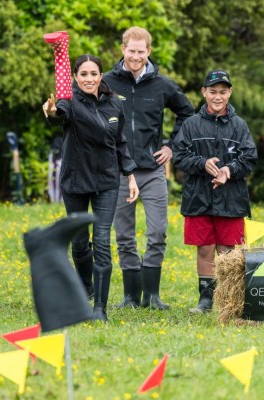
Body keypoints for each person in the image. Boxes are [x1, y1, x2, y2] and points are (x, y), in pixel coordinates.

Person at [43, 54, 139, 322]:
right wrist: (51, 112)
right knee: (79, 241)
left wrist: (130, 175)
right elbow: (58, 114)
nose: (89, 79)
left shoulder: (113, 104)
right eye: (83, 74)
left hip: (107, 181)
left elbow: (120, 143)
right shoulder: (68, 100)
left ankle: (100, 308)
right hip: (75, 182)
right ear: (75, 77)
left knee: (102, 242)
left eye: (93, 74)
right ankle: (84, 288)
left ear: (101, 76)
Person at [103, 27, 195, 309]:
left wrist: (171, 147)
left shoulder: (163, 85)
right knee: (125, 235)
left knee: (157, 232)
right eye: (131, 51)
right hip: (118, 171)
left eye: (141, 52)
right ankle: (131, 296)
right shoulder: (106, 82)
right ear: (123, 49)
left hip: (152, 170)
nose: (136, 56)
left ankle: (152, 295)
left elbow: (187, 113)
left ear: (149, 51)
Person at [172, 69, 258, 314]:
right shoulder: (191, 124)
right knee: (205, 248)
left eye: (223, 92)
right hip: (198, 196)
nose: (217, 96)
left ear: (229, 92)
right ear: (204, 92)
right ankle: (205, 300)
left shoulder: (239, 125)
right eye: (213, 92)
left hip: (231, 198)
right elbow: (179, 156)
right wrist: (202, 164)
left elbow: (250, 157)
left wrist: (228, 170)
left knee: (227, 251)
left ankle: (229, 300)